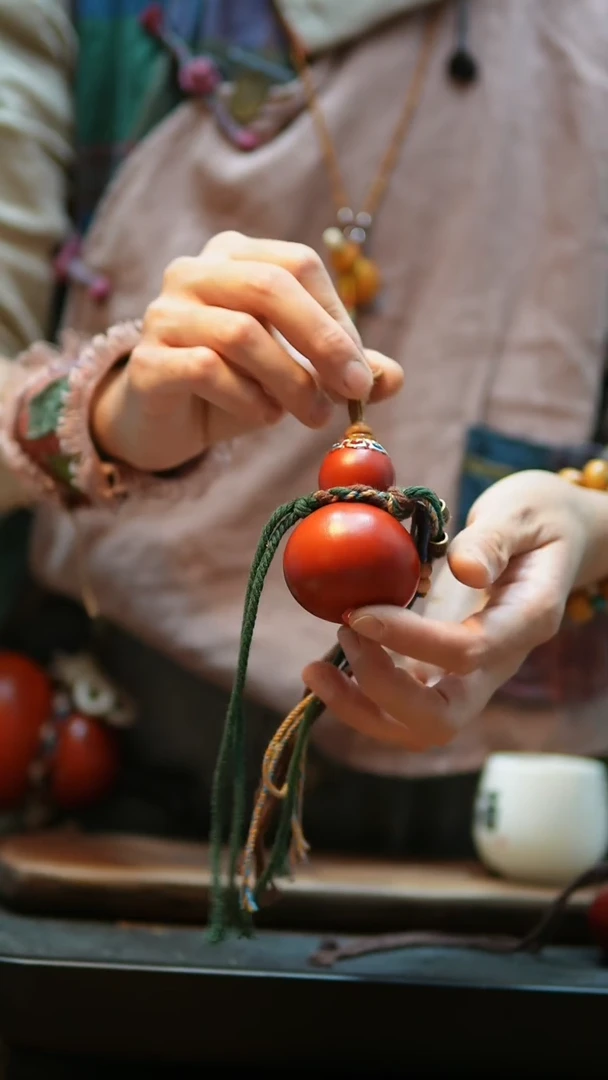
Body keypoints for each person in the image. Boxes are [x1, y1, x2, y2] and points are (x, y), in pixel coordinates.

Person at [0, 0, 607, 854]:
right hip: (117, 762)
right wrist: (105, 416)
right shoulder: (79, 20)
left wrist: (593, 523)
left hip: (517, 820)